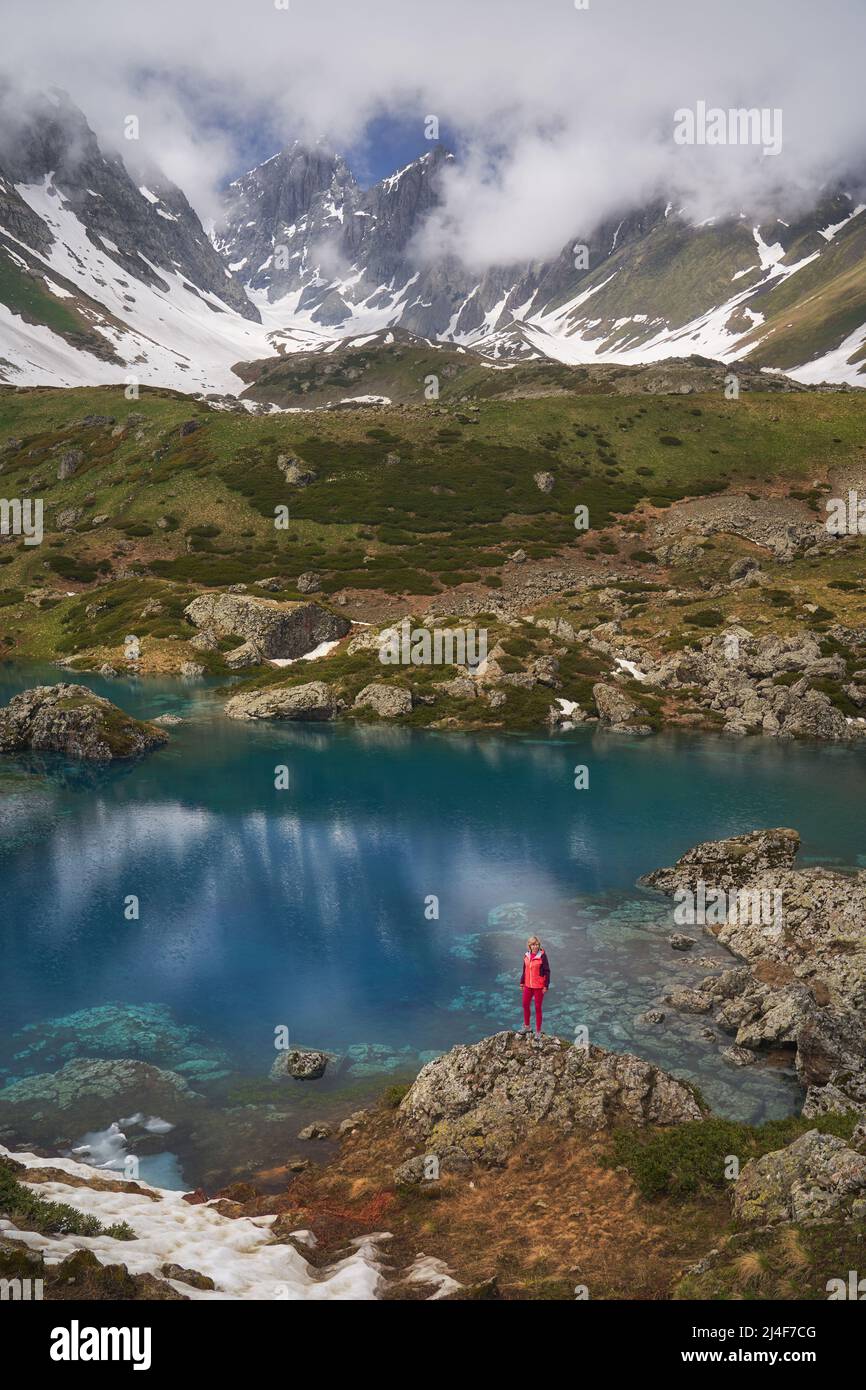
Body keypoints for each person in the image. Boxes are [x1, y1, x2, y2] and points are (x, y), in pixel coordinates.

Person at [518, 935, 550, 1041]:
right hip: (528, 985)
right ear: (529, 946)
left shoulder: (542, 956)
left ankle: (538, 1031)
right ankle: (527, 1027)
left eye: (536, 944)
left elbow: (547, 971)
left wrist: (546, 985)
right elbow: (525, 970)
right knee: (525, 1004)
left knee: (537, 1007)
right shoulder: (526, 955)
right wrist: (522, 982)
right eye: (533, 944)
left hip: (538, 986)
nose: (535, 946)